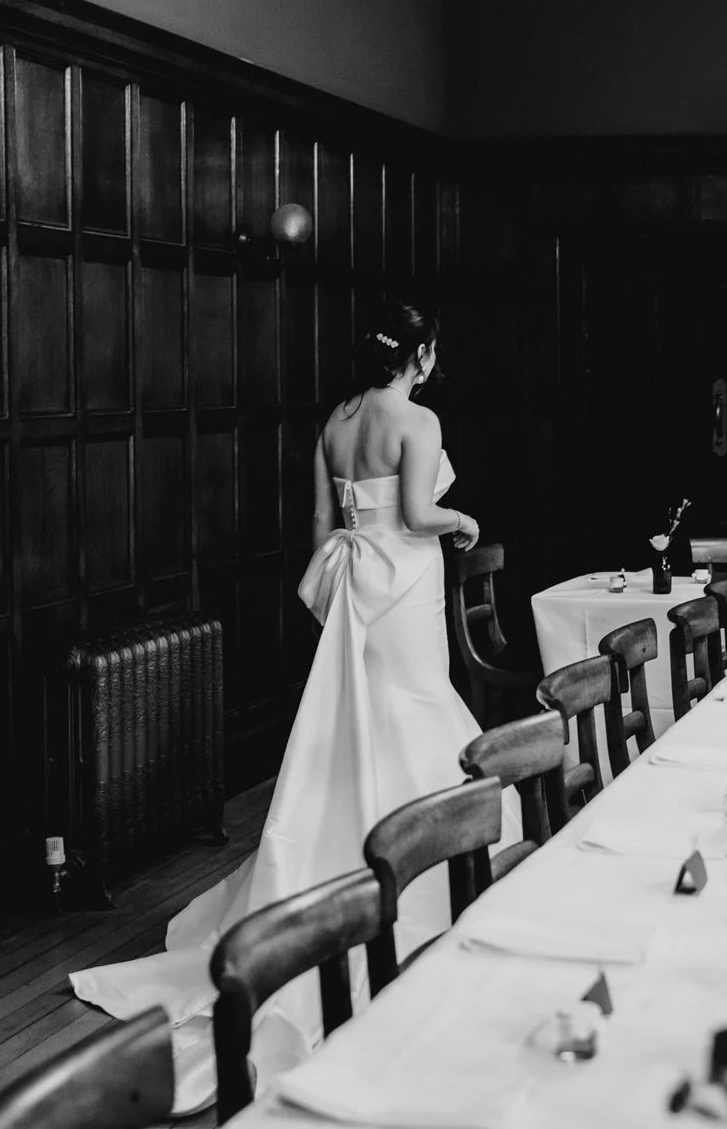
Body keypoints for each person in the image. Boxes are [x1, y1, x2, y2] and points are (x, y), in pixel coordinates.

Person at [70, 300, 518, 1113]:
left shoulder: (336, 420)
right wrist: (465, 518)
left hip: (355, 580)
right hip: (406, 580)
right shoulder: (417, 420)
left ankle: (345, 855)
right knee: (416, 705)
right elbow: (418, 515)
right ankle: (421, 865)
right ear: (418, 354)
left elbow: (321, 521)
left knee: (366, 715)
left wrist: (338, 591)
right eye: (432, 351)